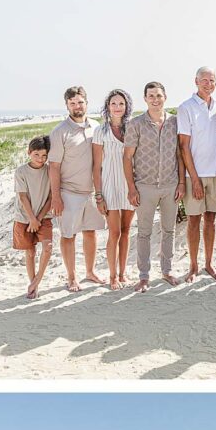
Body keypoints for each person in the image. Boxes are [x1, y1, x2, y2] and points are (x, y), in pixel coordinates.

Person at [124, 82, 185, 291]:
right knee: (144, 232)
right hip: (145, 186)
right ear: (145, 99)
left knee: (169, 230)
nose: (155, 99)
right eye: (151, 96)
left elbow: (179, 154)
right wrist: (131, 188)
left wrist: (182, 183)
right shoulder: (136, 124)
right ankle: (143, 276)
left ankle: (167, 270)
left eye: (158, 95)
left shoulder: (175, 122)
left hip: (170, 185)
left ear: (165, 97)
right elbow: (127, 157)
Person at [48, 86, 106, 292]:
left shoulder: (96, 126)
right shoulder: (59, 132)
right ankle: (72, 277)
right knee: (68, 235)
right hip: (68, 192)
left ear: (86, 103)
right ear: (67, 106)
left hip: (90, 192)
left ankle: (90, 272)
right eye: (72, 103)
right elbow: (53, 166)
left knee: (90, 232)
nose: (77, 106)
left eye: (80, 102)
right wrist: (56, 197)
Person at [177, 67, 216, 282]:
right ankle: (193, 266)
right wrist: (193, 179)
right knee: (193, 221)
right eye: (203, 80)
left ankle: (208, 264)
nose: (207, 83)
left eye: (211, 80)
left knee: (211, 221)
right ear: (195, 81)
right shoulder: (186, 108)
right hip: (193, 175)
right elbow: (183, 146)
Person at [92, 88, 135, 290]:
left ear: (126, 107)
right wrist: (98, 195)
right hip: (109, 185)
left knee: (126, 231)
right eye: (113, 103)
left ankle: (122, 272)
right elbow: (96, 166)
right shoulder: (100, 132)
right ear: (107, 107)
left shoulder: (132, 129)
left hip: (129, 185)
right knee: (114, 232)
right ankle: (112, 276)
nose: (117, 107)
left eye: (121, 104)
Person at [13, 135, 53, 299]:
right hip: (24, 217)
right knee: (30, 252)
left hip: (44, 216)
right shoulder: (21, 171)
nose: (40, 159)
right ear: (29, 153)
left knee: (48, 247)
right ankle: (33, 285)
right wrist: (32, 219)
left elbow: (51, 197)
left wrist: (39, 218)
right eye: (36, 154)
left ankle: (36, 281)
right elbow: (22, 197)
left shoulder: (49, 170)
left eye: (44, 155)